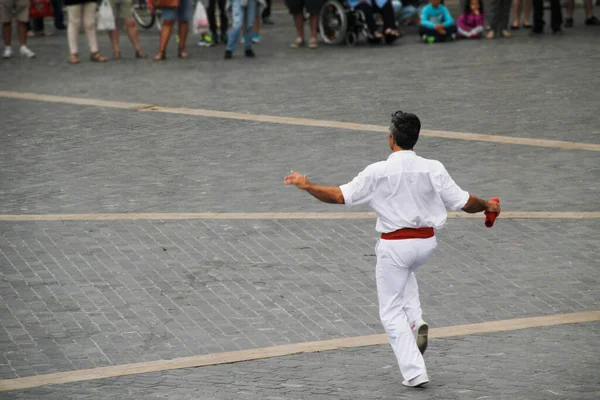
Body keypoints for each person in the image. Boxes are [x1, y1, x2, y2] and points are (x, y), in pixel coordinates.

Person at [284, 110, 501, 388]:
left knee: (389, 311)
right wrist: (487, 205)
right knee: (406, 274)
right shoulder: (433, 167)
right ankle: (416, 320)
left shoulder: (378, 172)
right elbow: (464, 202)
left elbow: (339, 196)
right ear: (416, 139)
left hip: (396, 246)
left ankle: (414, 372)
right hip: (426, 244)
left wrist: (307, 185)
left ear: (391, 139)